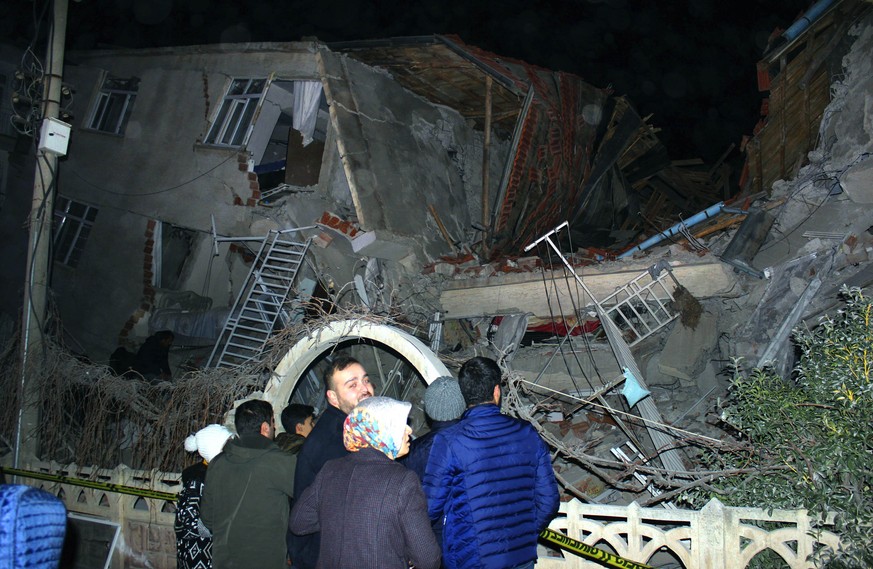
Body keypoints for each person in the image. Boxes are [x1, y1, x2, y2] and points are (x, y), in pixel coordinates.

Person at [423, 356, 559, 569]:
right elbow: (548, 499)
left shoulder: (449, 441)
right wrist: (525, 533)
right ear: (497, 391)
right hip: (521, 558)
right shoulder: (528, 433)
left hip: (472, 559)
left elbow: (428, 508)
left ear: (464, 394)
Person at [289, 397, 440, 569]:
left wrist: (340, 518)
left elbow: (299, 522)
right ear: (380, 431)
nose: (408, 430)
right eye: (399, 424)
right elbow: (428, 559)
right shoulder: (403, 481)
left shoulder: (330, 470)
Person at [290, 355, 374, 569]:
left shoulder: (355, 428)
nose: (364, 388)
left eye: (365, 380)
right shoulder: (333, 443)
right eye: (352, 385)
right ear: (333, 398)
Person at [201, 399, 294, 569]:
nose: (275, 428)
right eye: (273, 423)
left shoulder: (217, 463)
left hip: (225, 561)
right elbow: (308, 503)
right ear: (265, 427)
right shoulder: (281, 463)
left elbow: (207, 517)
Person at [175, 423, 233, 569]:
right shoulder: (197, 480)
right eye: (228, 446)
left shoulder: (219, 473)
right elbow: (186, 522)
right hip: (198, 555)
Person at [274, 403, 315, 563]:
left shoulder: (277, 447)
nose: (314, 427)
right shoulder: (302, 452)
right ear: (299, 428)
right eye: (310, 423)